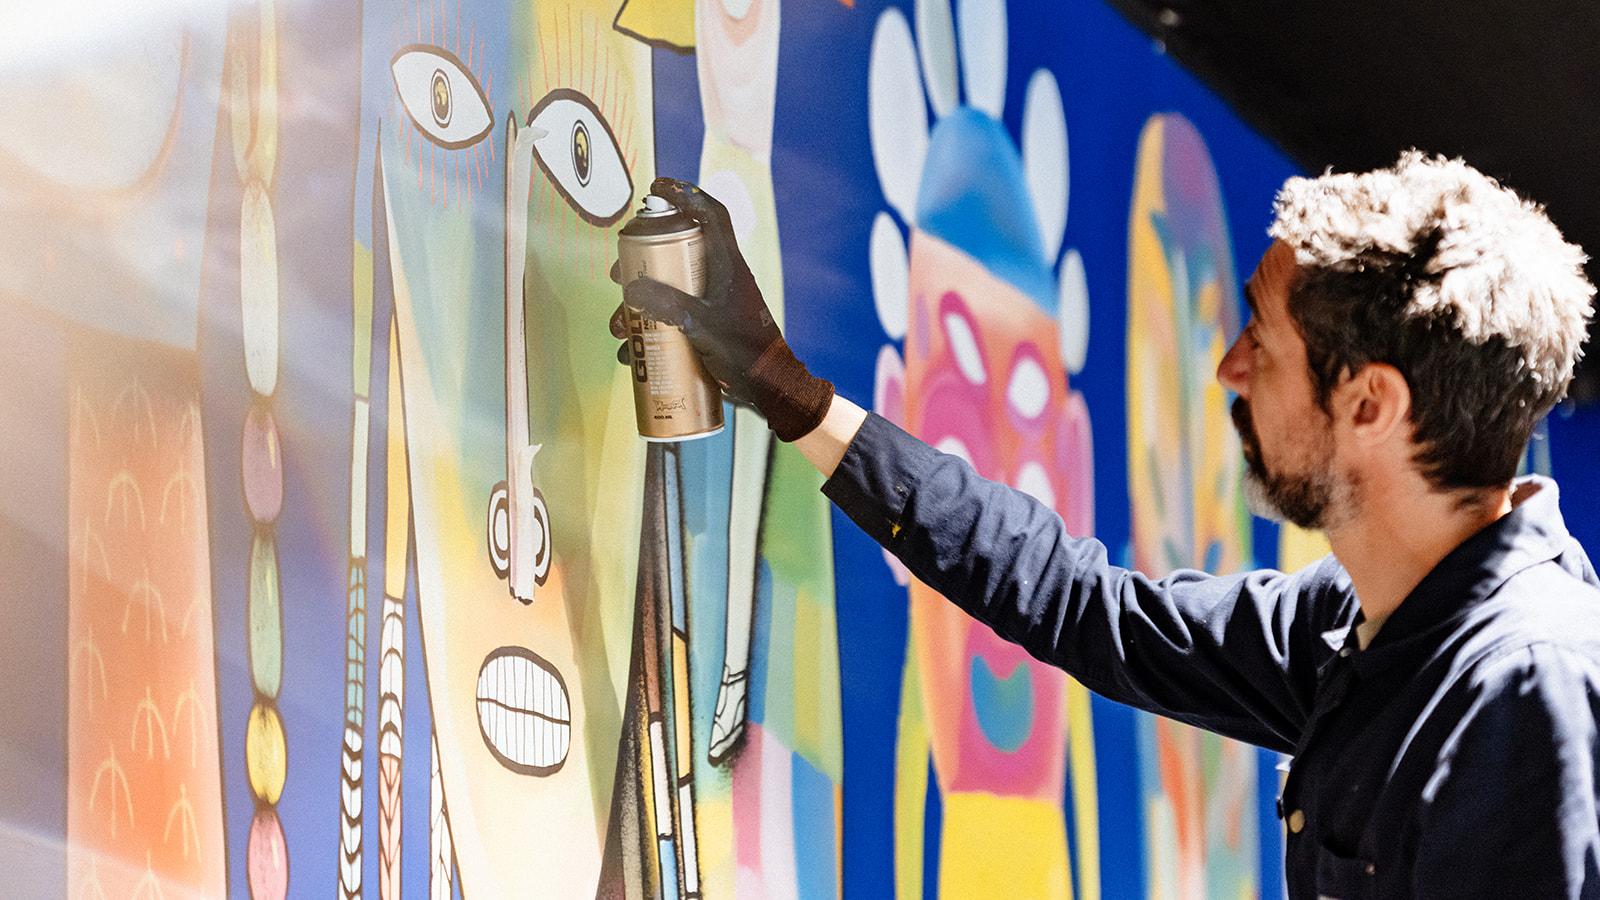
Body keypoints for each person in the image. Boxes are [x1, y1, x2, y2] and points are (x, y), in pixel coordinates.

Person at [610, 153, 1600, 898]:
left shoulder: (1521, 692)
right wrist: (785, 389)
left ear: (1370, 404)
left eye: (1262, 342)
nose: (1229, 370)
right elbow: (1082, 605)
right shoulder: (1365, 622)